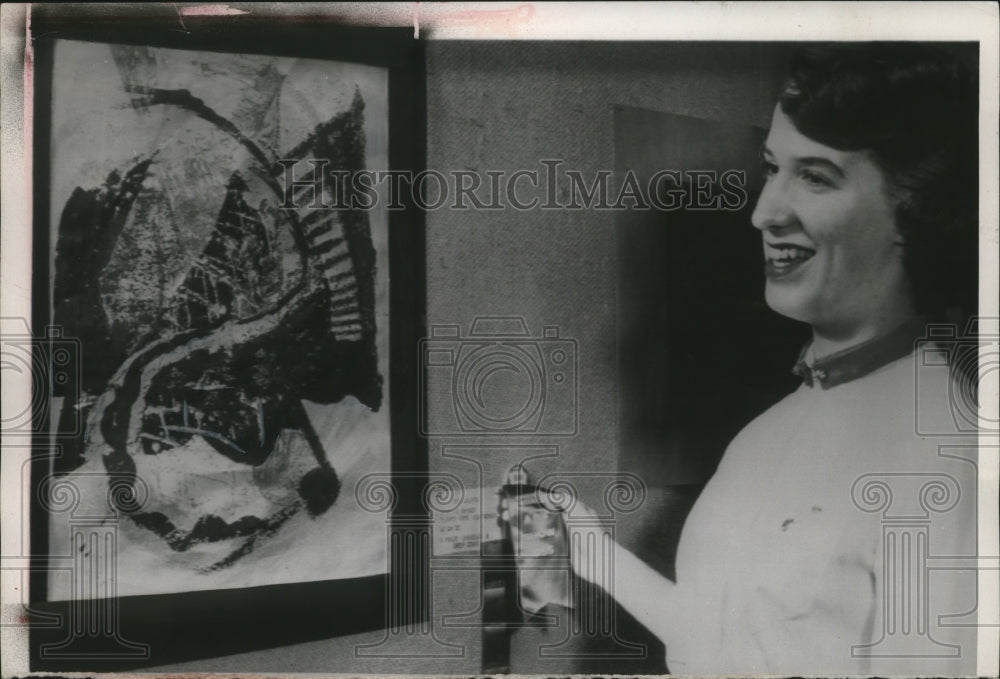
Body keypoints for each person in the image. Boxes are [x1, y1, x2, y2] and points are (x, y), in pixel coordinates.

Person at [519, 43, 981, 676]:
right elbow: (718, 635)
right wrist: (594, 553)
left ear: (912, 207)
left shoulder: (948, 447)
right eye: (771, 168)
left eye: (815, 176)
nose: (765, 212)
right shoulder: (764, 435)